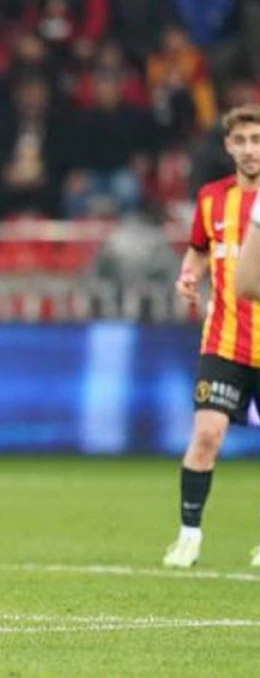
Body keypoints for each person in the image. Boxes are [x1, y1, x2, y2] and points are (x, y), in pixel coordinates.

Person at [169, 105, 260, 568]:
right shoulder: (211, 199)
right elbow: (199, 251)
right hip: (224, 340)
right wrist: (188, 276)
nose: (249, 150)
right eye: (240, 141)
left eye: (257, 141)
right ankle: (189, 535)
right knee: (206, 436)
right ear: (227, 146)